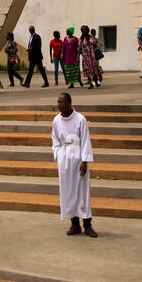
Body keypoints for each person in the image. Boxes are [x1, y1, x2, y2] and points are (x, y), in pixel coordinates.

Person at [52, 91, 97, 237]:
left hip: (78, 158)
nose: (59, 105)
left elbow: (85, 140)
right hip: (65, 159)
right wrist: (59, 156)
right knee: (68, 192)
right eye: (58, 102)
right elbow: (55, 141)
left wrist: (84, 160)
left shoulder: (80, 119)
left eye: (62, 102)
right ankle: (74, 224)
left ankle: (87, 225)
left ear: (69, 103)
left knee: (82, 192)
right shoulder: (56, 120)